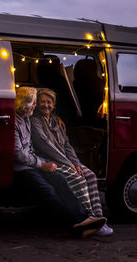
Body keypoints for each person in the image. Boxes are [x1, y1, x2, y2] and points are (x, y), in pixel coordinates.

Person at [13, 86, 106, 238]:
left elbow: (66, 144)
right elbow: (19, 154)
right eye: (36, 103)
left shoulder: (27, 119)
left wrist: (73, 162)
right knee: (49, 191)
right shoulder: (18, 122)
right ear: (27, 104)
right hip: (24, 168)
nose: (37, 106)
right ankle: (77, 223)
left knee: (62, 180)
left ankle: (88, 218)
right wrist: (42, 164)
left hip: (35, 163)